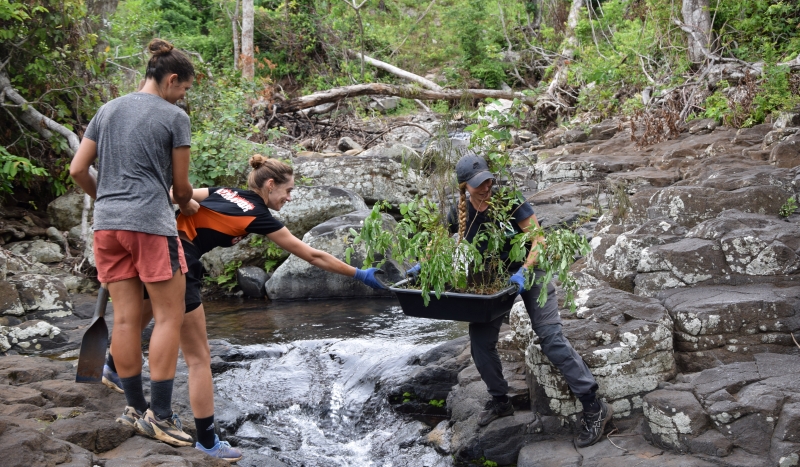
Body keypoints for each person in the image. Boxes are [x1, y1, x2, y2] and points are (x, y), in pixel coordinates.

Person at [102, 154, 387, 462]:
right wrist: (358, 274)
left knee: (134, 320)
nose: (289, 198)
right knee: (199, 358)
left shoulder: (224, 192)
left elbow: (173, 194)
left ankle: (113, 367)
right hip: (179, 262)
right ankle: (208, 442)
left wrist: (186, 208)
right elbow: (312, 256)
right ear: (270, 184)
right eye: (288, 191)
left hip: (152, 247)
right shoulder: (258, 215)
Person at [407, 154, 611, 448]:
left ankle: (594, 406)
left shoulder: (509, 200)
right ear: (464, 186)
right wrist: (422, 266)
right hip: (494, 281)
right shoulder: (459, 211)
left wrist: (525, 272)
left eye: (488, 180)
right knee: (479, 342)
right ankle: (500, 400)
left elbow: (539, 240)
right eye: (479, 184)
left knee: (551, 338)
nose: (487, 186)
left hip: (532, 271)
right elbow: (437, 243)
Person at [70, 39, 197, 447]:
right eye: (184, 88)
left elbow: (77, 169)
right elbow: (180, 189)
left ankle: (134, 408)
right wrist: (190, 204)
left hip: (107, 227)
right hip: (150, 226)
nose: (183, 96)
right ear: (171, 79)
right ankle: (160, 416)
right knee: (168, 316)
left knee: (124, 319)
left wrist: (106, 200)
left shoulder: (106, 110)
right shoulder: (174, 117)